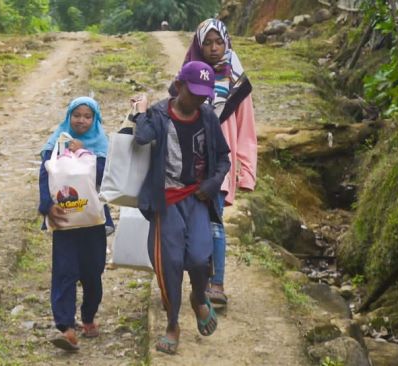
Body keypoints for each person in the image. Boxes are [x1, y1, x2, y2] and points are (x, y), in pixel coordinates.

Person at [132, 61, 231, 354]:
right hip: (167, 202)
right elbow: (141, 137)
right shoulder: (161, 114)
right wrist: (140, 112)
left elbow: (224, 158)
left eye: (204, 94)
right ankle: (172, 323)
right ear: (179, 86)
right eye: (193, 92)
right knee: (170, 265)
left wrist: (212, 184)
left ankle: (198, 298)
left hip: (198, 198)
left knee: (201, 257)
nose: (198, 99)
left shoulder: (208, 117)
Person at [177, 18, 257, 305]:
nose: (213, 48)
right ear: (199, 44)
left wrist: (246, 170)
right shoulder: (188, 74)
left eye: (218, 42)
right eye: (208, 42)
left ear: (226, 43)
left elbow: (246, 127)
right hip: (189, 160)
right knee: (189, 223)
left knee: (214, 221)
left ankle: (217, 283)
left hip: (222, 161)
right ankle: (198, 282)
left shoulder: (235, 79)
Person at [38, 97, 113, 352]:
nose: (81, 120)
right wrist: (47, 205)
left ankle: (89, 316)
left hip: (92, 222)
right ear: (68, 116)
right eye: (76, 115)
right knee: (64, 271)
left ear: (95, 120)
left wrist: (84, 153)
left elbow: (106, 178)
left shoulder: (101, 145)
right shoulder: (56, 143)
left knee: (93, 272)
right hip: (64, 222)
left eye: (87, 116)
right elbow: (44, 176)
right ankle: (66, 328)